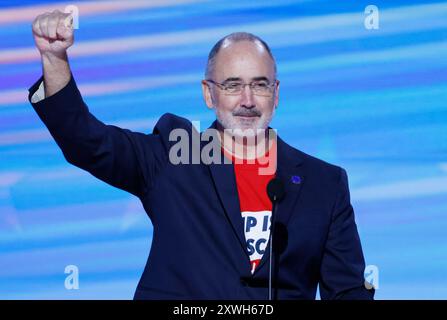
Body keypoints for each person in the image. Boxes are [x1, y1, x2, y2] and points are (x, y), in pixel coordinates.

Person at [29, 10, 374, 300]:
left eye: (260, 84)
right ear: (209, 94)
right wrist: (54, 58)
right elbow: (86, 142)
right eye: (232, 85)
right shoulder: (171, 156)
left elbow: (347, 292)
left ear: (276, 93)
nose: (248, 100)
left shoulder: (324, 183)